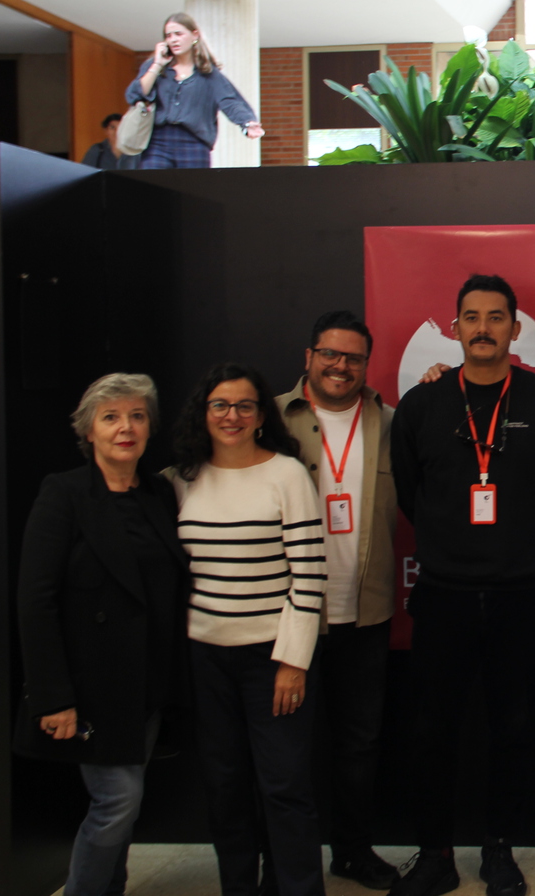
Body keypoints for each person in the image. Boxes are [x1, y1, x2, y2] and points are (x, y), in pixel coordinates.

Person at [390, 274, 535, 896]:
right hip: (442, 592)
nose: (483, 328)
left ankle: (499, 849)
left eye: (495, 317)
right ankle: (435, 854)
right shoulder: (422, 406)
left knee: (514, 726)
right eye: (471, 317)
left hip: (520, 595)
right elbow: (411, 494)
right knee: (431, 730)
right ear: (455, 328)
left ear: (515, 328)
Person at [15, 373, 190, 896]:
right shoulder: (64, 493)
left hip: (148, 686)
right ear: (88, 430)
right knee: (117, 802)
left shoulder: (160, 493)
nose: (125, 427)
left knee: (126, 805)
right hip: (90, 687)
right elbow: (36, 601)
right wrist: (52, 697)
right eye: (111, 417)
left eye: (137, 416)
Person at [170, 363, 327, 896]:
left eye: (244, 406)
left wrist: (293, 662)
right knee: (225, 788)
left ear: (262, 416)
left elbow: (309, 575)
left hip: (272, 660)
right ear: (204, 413)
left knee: (284, 787)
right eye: (220, 405)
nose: (231, 416)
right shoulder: (182, 479)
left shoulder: (287, 475)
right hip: (205, 660)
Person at [276, 312, 401, 890]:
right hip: (289, 617)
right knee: (286, 751)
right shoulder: (270, 419)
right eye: (330, 354)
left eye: (353, 358)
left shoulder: (391, 422)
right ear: (309, 357)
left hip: (365, 611)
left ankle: (352, 851)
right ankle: (285, 863)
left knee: (359, 744)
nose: (340, 366)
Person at [125, 11, 263, 169]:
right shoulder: (156, 67)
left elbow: (230, 100)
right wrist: (157, 65)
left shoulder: (208, 74)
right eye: (168, 36)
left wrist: (246, 122)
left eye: (178, 34)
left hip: (194, 143)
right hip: (157, 143)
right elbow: (134, 95)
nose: (173, 40)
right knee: (152, 184)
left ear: (194, 35)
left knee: (192, 185)